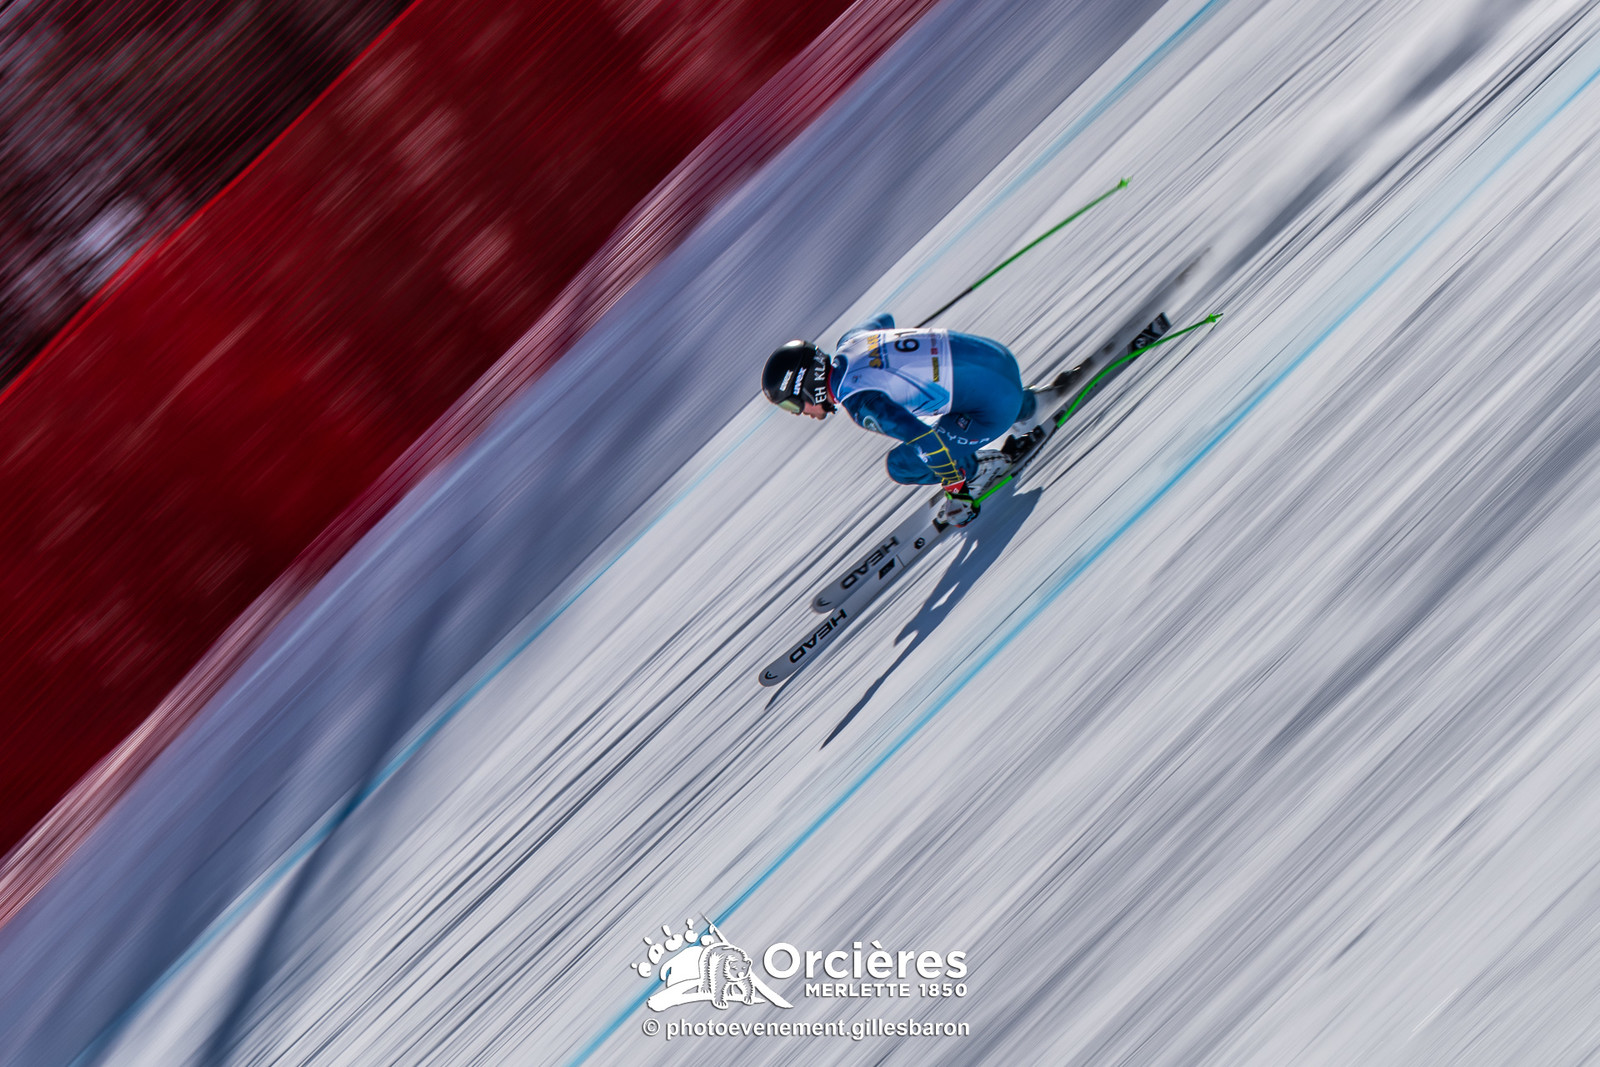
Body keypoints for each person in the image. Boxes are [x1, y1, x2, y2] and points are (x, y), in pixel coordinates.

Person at [762, 313, 1073, 527]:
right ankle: (1030, 406)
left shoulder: (861, 402)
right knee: (944, 395)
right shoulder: (851, 340)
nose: (799, 413)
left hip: (993, 406)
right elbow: (884, 319)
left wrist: (957, 491)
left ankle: (980, 469)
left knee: (900, 465)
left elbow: (926, 440)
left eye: (792, 404)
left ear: (806, 386)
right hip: (999, 358)